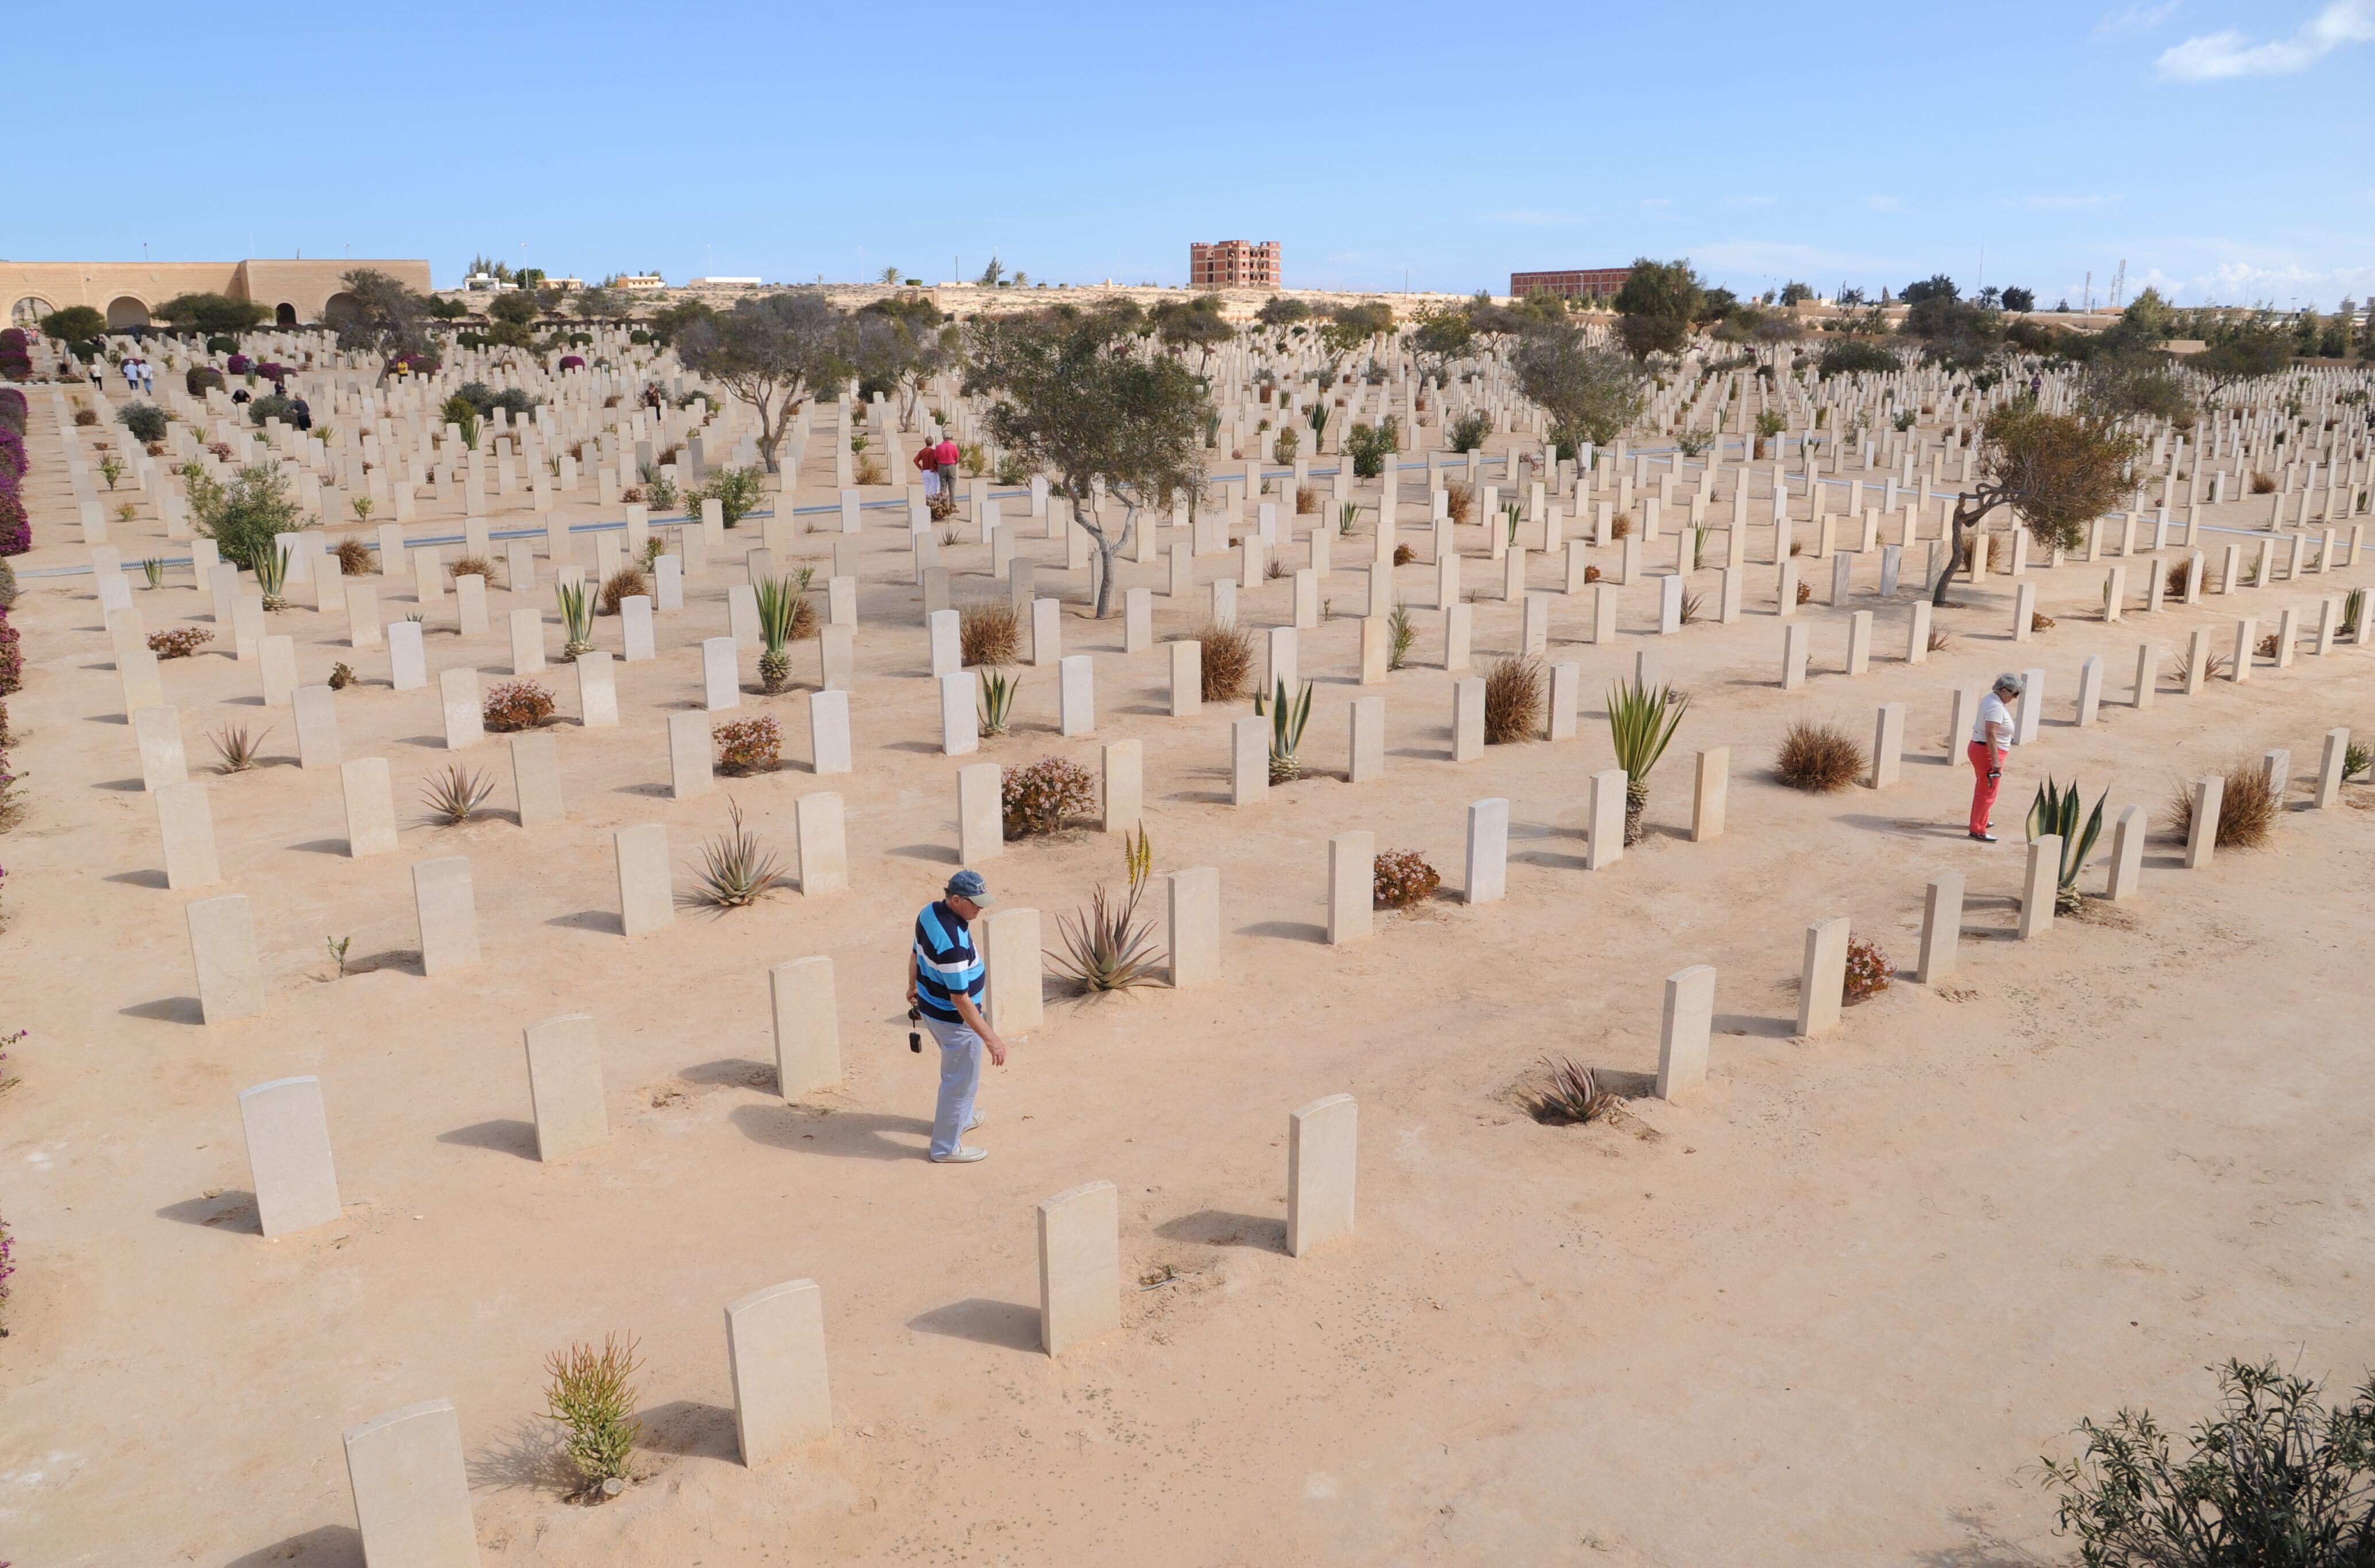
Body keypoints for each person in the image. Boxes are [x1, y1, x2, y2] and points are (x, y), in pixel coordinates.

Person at [906, 869, 1009, 1163]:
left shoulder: (929, 912)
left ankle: (960, 1120)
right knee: (960, 1083)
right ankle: (945, 1148)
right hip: (956, 1020)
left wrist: (912, 986)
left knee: (960, 1079)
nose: (981, 908)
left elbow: (915, 952)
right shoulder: (952, 945)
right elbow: (960, 999)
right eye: (976, 903)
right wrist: (992, 1039)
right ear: (956, 900)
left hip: (931, 1009)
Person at [1967, 672, 2023, 842]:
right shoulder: (1996, 707)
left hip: (1982, 749)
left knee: (1983, 788)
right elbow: (1991, 734)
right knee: (1988, 791)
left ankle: (1980, 820)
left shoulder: (1992, 699)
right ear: (2005, 691)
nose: (2015, 698)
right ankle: (1978, 829)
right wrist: (1995, 760)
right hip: (1988, 752)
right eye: (2015, 694)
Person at [933, 432, 961, 502]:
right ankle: (953, 504)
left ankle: (943, 504)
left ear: (943, 438)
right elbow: (957, 458)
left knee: (943, 486)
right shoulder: (954, 447)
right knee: (952, 487)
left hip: (942, 466)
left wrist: (939, 463)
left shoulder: (938, 447)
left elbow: (936, 458)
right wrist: (954, 464)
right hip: (951, 466)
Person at [912, 432, 939, 497]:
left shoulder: (922, 451)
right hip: (932, 471)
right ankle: (935, 503)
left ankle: (927, 502)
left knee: (926, 489)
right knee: (935, 488)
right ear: (932, 443)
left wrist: (920, 467)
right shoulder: (933, 451)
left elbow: (915, 460)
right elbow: (936, 461)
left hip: (924, 471)